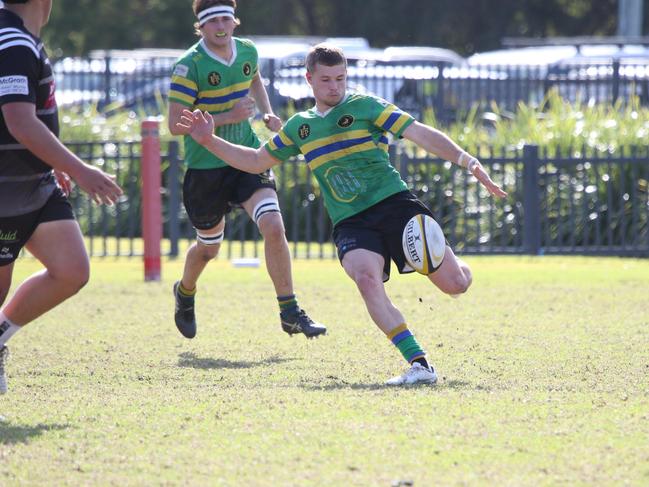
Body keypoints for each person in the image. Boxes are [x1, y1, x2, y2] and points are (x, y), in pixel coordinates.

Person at [176, 43, 507, 386]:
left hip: (394, 203)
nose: (334, 86)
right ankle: (419, 363)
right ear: (309, 80)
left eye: (340, 78)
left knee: (456, 285)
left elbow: (419, 132)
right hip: (352, 221)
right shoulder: (299, 127)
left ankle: (455, 261)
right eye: (326, 80)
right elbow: (256, 161)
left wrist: (469, 161)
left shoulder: (365, 106)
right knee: (366, 279)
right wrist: (209, 140)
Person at [167, 0, 325, 340]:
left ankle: (289, 311)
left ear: (235, 21)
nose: (221, 25)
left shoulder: (248, 51)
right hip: (206, 167)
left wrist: (267, 113)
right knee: (208, 249)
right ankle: (185, 291)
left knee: (273, 224)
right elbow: (175, 124)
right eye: (213, 21)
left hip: (246, 157)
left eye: (226, 18)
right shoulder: (188, 66)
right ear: (201, 26)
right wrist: (227, 117)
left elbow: (253, 80)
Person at [0, 0, 123, 395]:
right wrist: (79, 169)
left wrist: (53, 164)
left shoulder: (25, 40)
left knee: (71, 270)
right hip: (4, 192)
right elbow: (19, 120)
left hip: (35, 186)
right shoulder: (13, 42)